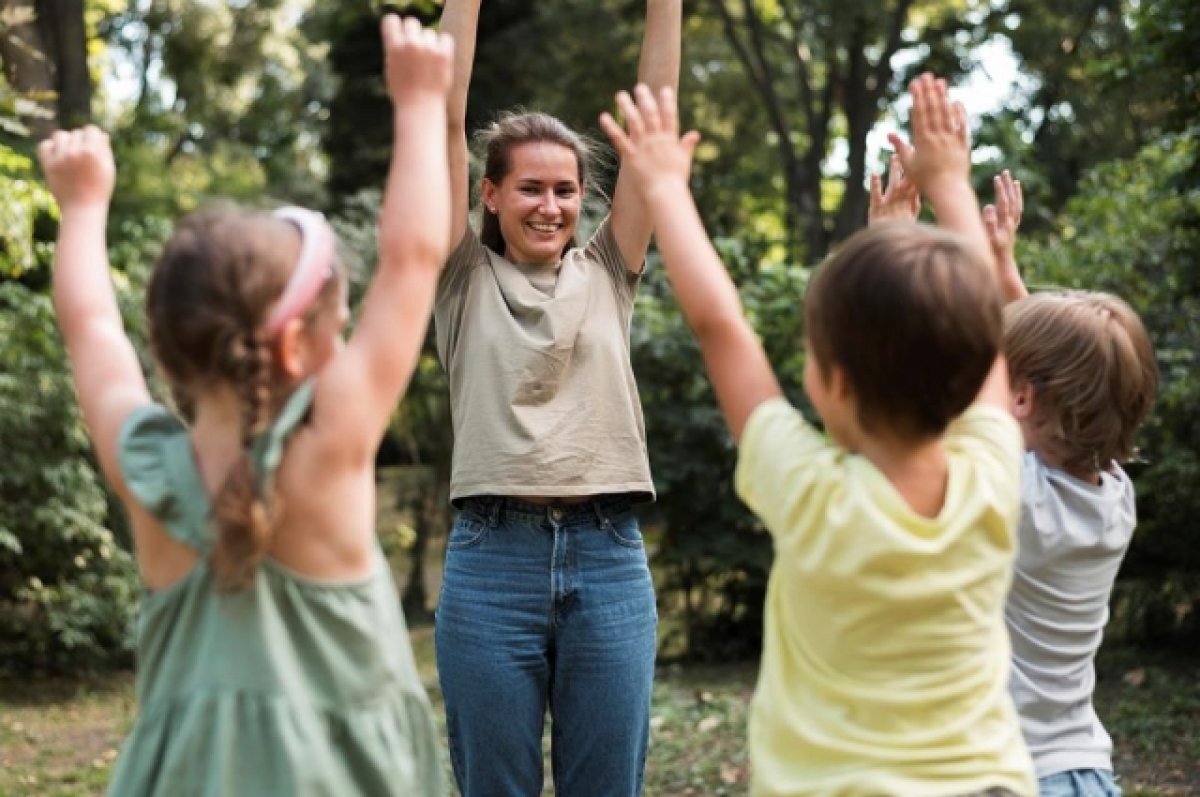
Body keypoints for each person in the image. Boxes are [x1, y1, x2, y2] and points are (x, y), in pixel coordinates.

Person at [37, 16, 454, 796]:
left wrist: (83, 205)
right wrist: (421, 102)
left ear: (167, 350)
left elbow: (91, 324)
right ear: (299, 347)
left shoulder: (146, 464)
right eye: (343, 316)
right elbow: (413, 257)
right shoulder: (333, 444)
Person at [600, 76, 1037, 795]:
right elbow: (982, 330)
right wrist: (951, 185)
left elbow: (721, 326)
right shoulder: (993, 475)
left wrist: (666, 187)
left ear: (832, 383)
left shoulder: (810, 493)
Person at [430, 1, 680, 794]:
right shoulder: (460, 274)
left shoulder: (608, 270)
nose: (551, 206)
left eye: (566, 191)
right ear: (489, 195)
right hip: (491, 557)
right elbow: (441, 119)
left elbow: (654, 132)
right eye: (531, 188)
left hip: (609, 553)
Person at [983, 171, 1158, 797]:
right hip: (1081, 769)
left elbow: (995, 383)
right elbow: (1066, 370)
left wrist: (911, 228)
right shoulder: (1113, 497)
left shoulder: (1017, 494)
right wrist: (1003, 265)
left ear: (1024, 397)